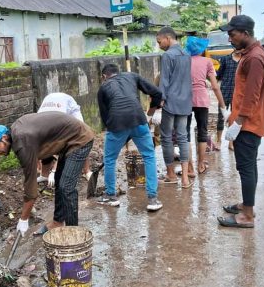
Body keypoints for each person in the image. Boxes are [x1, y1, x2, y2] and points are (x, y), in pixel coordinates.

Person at [0, 112, 94, 236]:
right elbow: (46, 144)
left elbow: (30, 185)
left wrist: (23, 219)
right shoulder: (16, 131)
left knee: (66, 187)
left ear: (4, 138)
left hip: (79, 139)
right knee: (60, 182)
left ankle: (74, 234)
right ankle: (58, 222)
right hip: (67, 141)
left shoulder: (22, 142)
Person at [216, 15, 264, 229]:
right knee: (247, 167)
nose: (230, 38)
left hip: (248, 124)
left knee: (246, 167)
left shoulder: (255, 58)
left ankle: (247, 216)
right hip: (246, 121)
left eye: (232, 34)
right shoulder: (250, 55)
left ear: (245, 33)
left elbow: (252, 95)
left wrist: (238, 122)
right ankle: (247, 205)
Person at [96, 63, 163, 211]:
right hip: (139, 120)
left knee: (109, 159)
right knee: (149, 156)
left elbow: (104, 117)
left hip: (116, 124)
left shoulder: (103, 88)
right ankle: (153, 199)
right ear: (118, 72)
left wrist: (117, 131)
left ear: (103, 76)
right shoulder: (132, 76)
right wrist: (154, 110)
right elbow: (157, 93)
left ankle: (110, 195)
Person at [155, 27, 193, 189]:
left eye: (159, 41)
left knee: (166, 138)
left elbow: (164, 82)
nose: (159, 45)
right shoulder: (187, 55)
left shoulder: (168, 55)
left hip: (170, 103)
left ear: (168, 38)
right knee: (183, 137)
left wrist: (159, 104)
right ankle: (185, 179)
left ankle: (171, 175)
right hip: (185, 102)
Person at [185, 36, 229, 174]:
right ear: (202, 49)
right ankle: (200, 165)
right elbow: (215, 87)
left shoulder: (183, 61)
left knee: (185, 134)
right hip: (202, 100)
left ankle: (190, 168)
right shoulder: (207, 61)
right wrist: (223, 107)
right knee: (202, 131)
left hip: (184, 99)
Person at [36, 93, 92, 187]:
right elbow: (38, 147)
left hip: (68, 106)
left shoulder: (60, 126)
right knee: (46, 145)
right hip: (51, 103)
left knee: (81, 138)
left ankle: (87, 171)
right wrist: (37, 161)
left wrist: (54, 171)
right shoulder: (37, 127)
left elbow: (63, 146)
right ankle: (44, 175)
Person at [216, 50, 241, 151]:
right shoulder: (226, 59)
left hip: (238, 93)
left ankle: (231, 142)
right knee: (221, 116)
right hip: (225, 91)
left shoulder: (244, 59)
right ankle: (218, 141)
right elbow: (219, 75)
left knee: (234, 117)